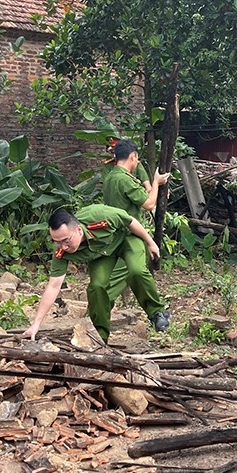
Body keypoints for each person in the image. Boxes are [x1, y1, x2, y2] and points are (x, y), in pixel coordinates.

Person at [23, 206, 162, 343]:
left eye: (66, 240)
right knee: (96, 287)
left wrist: (151, 243)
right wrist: (36, 324)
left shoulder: (99, 216)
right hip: (103, 255)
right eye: (57, 242)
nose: (63, 246)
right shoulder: (60, 252)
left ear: (78, 230)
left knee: (136, 271)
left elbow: (130, 221)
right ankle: (100, 337)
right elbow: (53, 286)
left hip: (126, 240)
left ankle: (157, 313)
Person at [101, 140, 172, 332]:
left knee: (130, 274)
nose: (137, 162)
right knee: (134, 273)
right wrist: (156, 183)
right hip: (129, 235)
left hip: (113, 236)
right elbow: (149, 204)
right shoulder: (124, 179)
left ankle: (157, 313)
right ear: (132, 156)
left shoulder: (110, 178)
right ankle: (97, 318)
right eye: (137, 158)